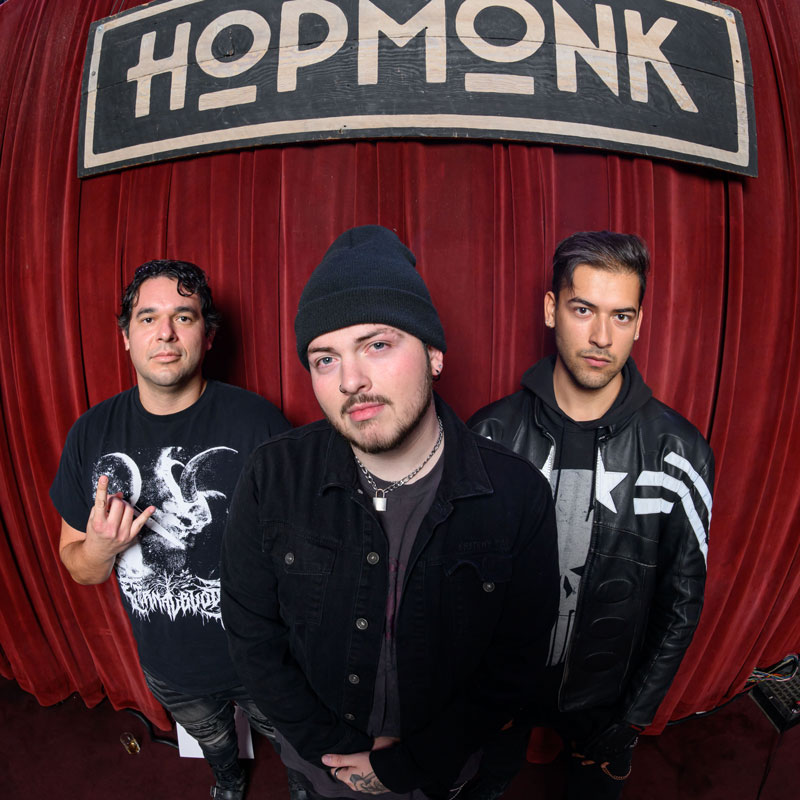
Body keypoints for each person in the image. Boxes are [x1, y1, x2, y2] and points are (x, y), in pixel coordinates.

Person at [220, 225, 559, 799]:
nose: (351, 380)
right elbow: (252, 635)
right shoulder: (271, 476)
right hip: (321, 767)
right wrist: (330, 749)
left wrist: (412, 764)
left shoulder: (516, 494)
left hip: (448, 774)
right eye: (325, 359)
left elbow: (516, 660)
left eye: (376, 345)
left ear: (434, 355)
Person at [466, 231, 714, 799]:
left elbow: (682, 602)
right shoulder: (490, 436)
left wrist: (633, 717)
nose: (602, 337)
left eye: (621, 316)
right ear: (551, 310)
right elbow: (462, 584)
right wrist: (472, 688)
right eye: (583, 310)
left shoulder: (679, 452)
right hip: (501, 690)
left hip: (605, 699)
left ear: (639, 323)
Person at [50, 260, 291, 800]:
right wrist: (102, 547)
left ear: (208, 335)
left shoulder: (258, 422)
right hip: (171, 666)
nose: (165, 333)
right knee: (214, 742)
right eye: (148, 317)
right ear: (126, 337)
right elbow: (80, 569)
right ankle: (228, 780)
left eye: (184, 316)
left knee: (296, 748)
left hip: (265, 657)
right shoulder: (90, 434)